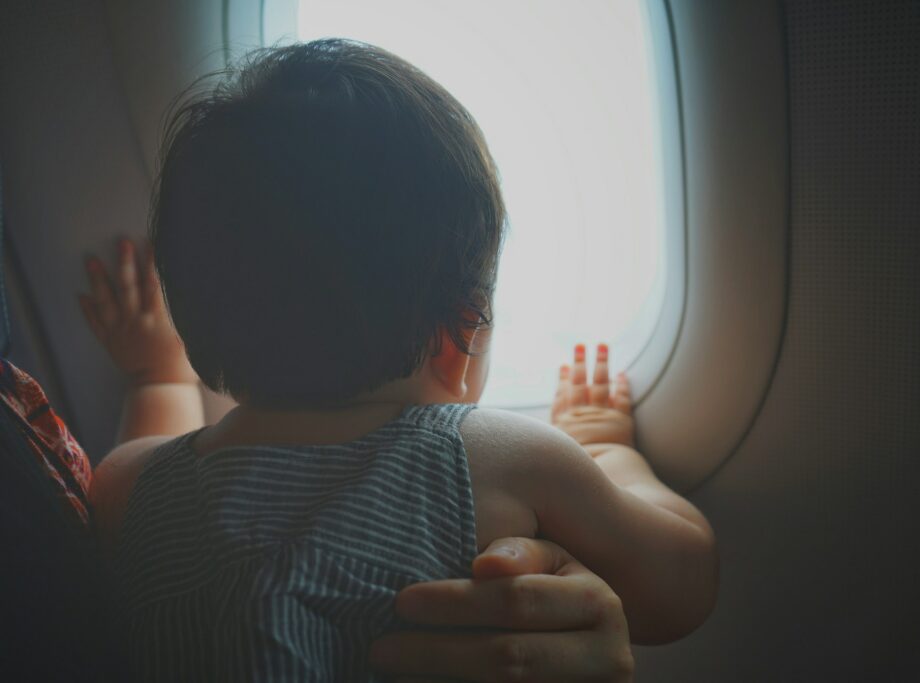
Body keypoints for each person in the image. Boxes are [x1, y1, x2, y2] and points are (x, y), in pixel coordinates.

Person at [83, 39, 717, 681]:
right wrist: (607, 448)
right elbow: (681, 586)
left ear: (193, 320)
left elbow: (151, 448)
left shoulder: (125, 491)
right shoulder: (499, 460)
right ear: (459, 335)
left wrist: (153, 374)